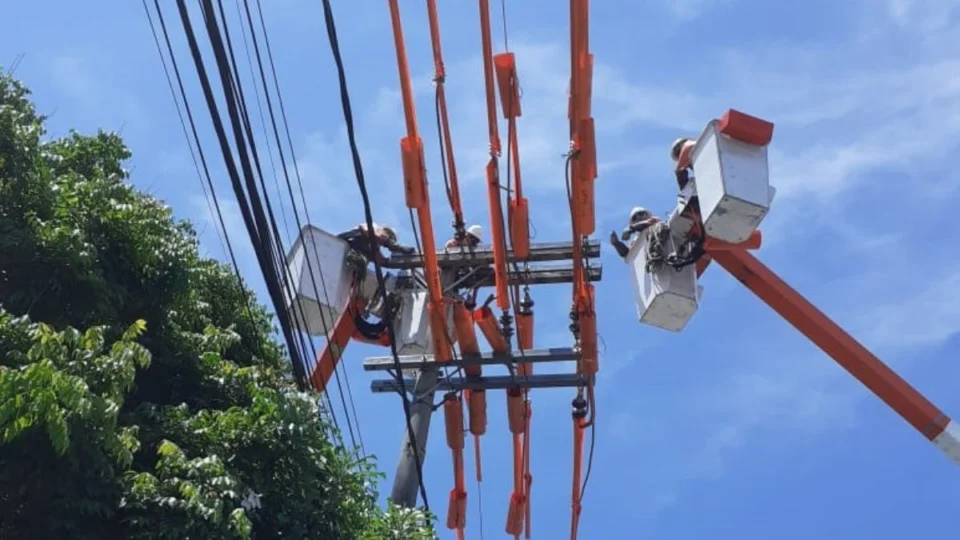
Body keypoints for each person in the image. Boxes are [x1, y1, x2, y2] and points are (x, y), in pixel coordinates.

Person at [337, 222, 415, 267]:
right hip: (340, 245)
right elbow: (368, 232)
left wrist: (402, 263)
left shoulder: (373, 247)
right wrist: (397, 247)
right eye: (388, 236)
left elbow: (381, 261)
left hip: (344, 261)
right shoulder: (373, 226)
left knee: (361, 262)